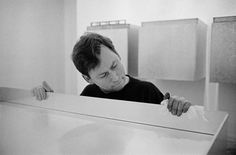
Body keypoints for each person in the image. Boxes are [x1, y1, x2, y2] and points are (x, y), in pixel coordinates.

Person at [32, 32, 191, 116]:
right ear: (88, 79)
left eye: (115, 65)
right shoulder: (89, 95)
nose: (115, 77)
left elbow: (171, 128)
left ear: (118, 55)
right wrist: (49, 102)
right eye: (103, 75)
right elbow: (75, 124)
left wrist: (179, 107)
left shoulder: (147, 91)